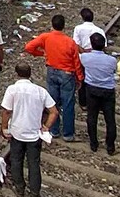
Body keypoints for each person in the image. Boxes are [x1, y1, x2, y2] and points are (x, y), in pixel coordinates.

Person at [0, 62, 59, 197]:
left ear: (16, 74)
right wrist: (46, 126)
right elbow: (54, 112)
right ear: (30, 74)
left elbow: (7, 111)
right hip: (34, 134)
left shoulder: (12, 89)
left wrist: (3, 128)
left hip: (17, 132)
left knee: (16, 160)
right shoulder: (40, 91)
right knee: (34, 164)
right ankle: (35, 195)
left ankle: (19, 189)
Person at [24, 14, 82, 142]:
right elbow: (76, 62)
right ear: (64, 26)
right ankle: (68, 134)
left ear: (52, 25)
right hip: (66, 73)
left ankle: (54, 130)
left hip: (51, 71)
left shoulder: (46, 37)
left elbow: (28, 47)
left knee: (52, 102)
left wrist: (41, 53)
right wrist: (79, 78)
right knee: (68, 104)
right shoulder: (70, 42)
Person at [80, 32, 118, 154]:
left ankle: (93, 143)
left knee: (92, 117)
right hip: (108, 90)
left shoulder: (85, 58)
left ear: (91, 44)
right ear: (104, 45)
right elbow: (114, 71)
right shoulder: (112, 60)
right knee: (110, 119)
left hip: (92, 89)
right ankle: (110, 146)